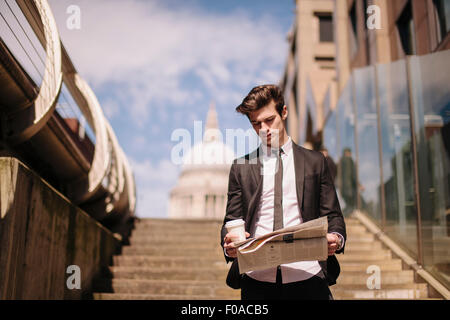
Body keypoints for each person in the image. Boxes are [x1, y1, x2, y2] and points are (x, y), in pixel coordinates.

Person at [220, 84, 346, 300]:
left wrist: (336, 237)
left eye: (270, 120)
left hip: (308, 275)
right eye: (256, 124)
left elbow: (333, 215)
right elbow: (231, 220)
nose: (263, 129)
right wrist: (228, 243)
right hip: (257, 280)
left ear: (284, 112)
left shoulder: (316, 162)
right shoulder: (241, 167)